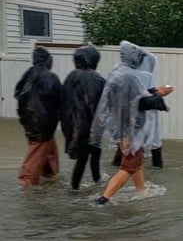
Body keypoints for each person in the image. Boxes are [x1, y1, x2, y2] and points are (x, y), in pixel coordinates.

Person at [90, 41, 173, 205]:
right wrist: (159, 98)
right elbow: (140, 102)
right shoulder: (129, 77)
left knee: (136, 160)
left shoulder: (117, 72)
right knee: (129, 165)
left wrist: (154, 91)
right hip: (129, 129)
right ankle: (103, 200)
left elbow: (131, 98)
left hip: (119, 127)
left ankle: (141, 191)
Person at [15, 46, 62, 186]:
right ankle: (27, 184)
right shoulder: (50, 77)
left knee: (48, 148)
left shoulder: (28, 74)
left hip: (29, 119)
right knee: (36, 152)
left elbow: (18, 94)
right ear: (48, 61)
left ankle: (49, 174)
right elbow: (59, 99)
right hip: (43, 122)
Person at [60, 46, 106, 190]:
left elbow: (62, 100)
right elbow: (100, 104)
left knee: (85, 154)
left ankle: (90, 181)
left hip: (72, 124)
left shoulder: (71, 76)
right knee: (90, 154)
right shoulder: (96, 78)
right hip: (89, 124)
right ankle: (83, 185)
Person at [111, 52, 165, 169]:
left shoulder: (122, 74)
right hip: (143, 117)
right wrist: (157, 94)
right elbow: (145, 98)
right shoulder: (146, 76)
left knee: (127, 148)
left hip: (129, 119)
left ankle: (121, 169)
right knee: (149, 147)